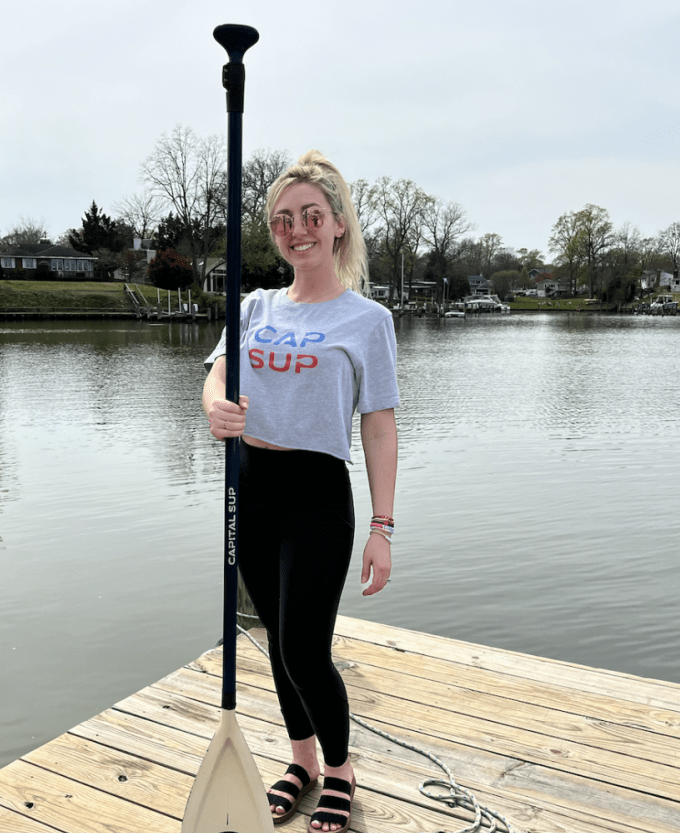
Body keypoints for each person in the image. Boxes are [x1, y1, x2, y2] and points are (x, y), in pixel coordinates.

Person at [202, 150, 399, 833]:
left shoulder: (367, 320)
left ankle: (340, 771)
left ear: (337, 224)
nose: (296, 230)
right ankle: (302, 760)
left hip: (317, 494)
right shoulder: (252, 304)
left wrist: (382, 526)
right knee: (274, 638)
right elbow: (219, 370)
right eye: (282, 220)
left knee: (303, 647)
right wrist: (212, 406)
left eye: (311, 215)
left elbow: (377, 425)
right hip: (251, 488)